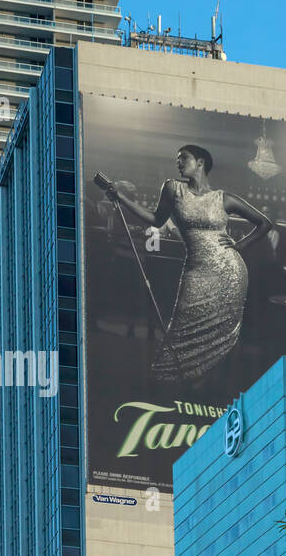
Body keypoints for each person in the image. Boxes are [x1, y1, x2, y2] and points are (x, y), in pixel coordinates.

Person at [96, 144, 276, 385]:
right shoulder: (172, 189)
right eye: (177, 160)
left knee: (221, 331)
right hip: (196, 269)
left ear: (200, 162)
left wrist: (240, 246)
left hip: (229, 272)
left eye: (183, 158)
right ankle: (174, 382)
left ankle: (211, 387)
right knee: (182, 325)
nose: (178, 163)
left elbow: (265, 223)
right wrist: (121, 198)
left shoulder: (223, 198)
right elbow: (155, 219)